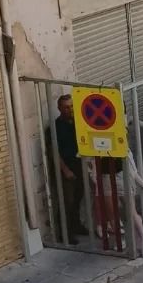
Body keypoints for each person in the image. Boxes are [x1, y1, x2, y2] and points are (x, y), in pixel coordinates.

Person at [54, 95, 87, 243]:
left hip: (80, 165)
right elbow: (54, 152)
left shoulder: (78, 123)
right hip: (66, 169)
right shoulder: (56, 127)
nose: (70, 110)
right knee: (67, 201)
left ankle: (77, 225)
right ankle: (65, 233)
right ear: (59, 108)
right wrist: (65, 170)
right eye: (66, 107)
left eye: (72, 106)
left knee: (78, 198)